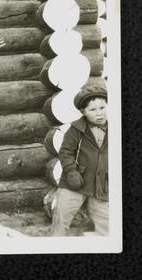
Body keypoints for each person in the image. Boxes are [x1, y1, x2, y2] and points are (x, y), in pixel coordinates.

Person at [51, 84, 109, 236]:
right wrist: (71, 172)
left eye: (102, 108)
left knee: (106, 223)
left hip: (101, 184)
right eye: (93, 110)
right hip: (76, 182)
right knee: (62, 218)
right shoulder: (76, 130)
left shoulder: (114, 128)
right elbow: (66, 152)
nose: (99, 114)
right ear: (83, 112)